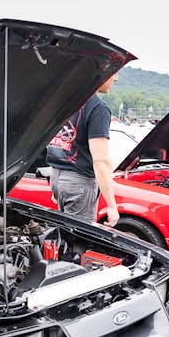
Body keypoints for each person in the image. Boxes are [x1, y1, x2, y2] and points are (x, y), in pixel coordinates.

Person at [45, 72, 120, 226]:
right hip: (79, 182)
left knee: (64, 233)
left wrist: (59, 186)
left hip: (57, 177)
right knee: (77, 240)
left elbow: (52, 141)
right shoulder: (98, 108)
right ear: (102, 74)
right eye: (115, 72)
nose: (116, 78)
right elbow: (101, 160)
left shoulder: (64, 102)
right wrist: (112, 206)